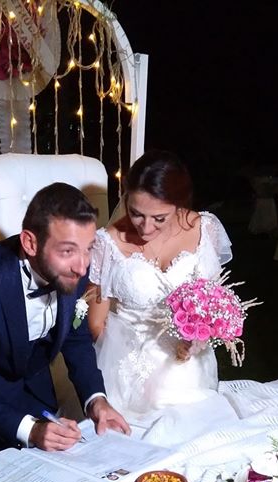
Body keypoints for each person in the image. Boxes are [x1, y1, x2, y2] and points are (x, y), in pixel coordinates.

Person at [0, 182, 130, 459]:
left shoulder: (73, 270)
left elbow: (76, 340)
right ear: (30, 243)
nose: (82, 267)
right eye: (67, 251)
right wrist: (31, 430)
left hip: (41, 404)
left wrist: (96, 400)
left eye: (88, 248)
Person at [87, 150, 233, 420]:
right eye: (136, 213)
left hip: (189, 361)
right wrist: (130, 368)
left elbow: (212, 302)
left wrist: (198, 340)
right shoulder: (107, 243)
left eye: (159, 218)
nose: (145, 227)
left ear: (178, 204)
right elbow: (96, 323)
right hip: (127, 365)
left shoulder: (204, 229)